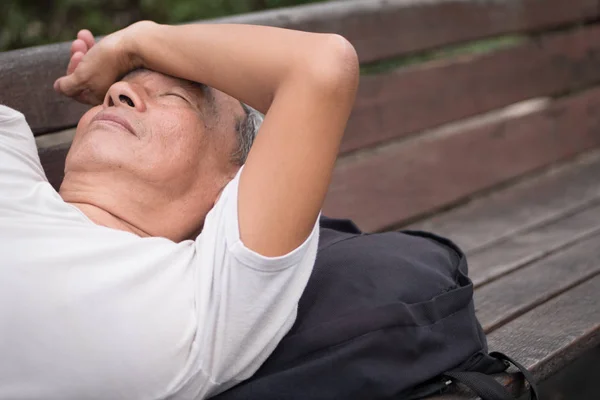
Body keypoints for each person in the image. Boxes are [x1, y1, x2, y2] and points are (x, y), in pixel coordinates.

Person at [0, 21, 358, 399]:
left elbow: (321, 65)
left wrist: (133, 44)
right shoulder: (10, 161)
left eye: (174, 98)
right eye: (117, 89)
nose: (117, 91)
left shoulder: (208, 299)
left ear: (234, 185)